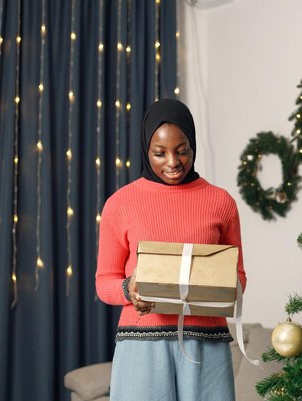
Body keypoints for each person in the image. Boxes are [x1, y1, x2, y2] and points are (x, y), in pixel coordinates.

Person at [96, 98, 246, 401]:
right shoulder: (120, 204)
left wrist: (219, 289)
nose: (173, 162)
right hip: (141, 343)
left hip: (207, 343)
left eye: (182, 151)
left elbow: (239, 276)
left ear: (192, 145)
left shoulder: (221, 202)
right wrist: (129, 290)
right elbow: (104, 281)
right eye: (159, 153)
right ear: (145, 150)